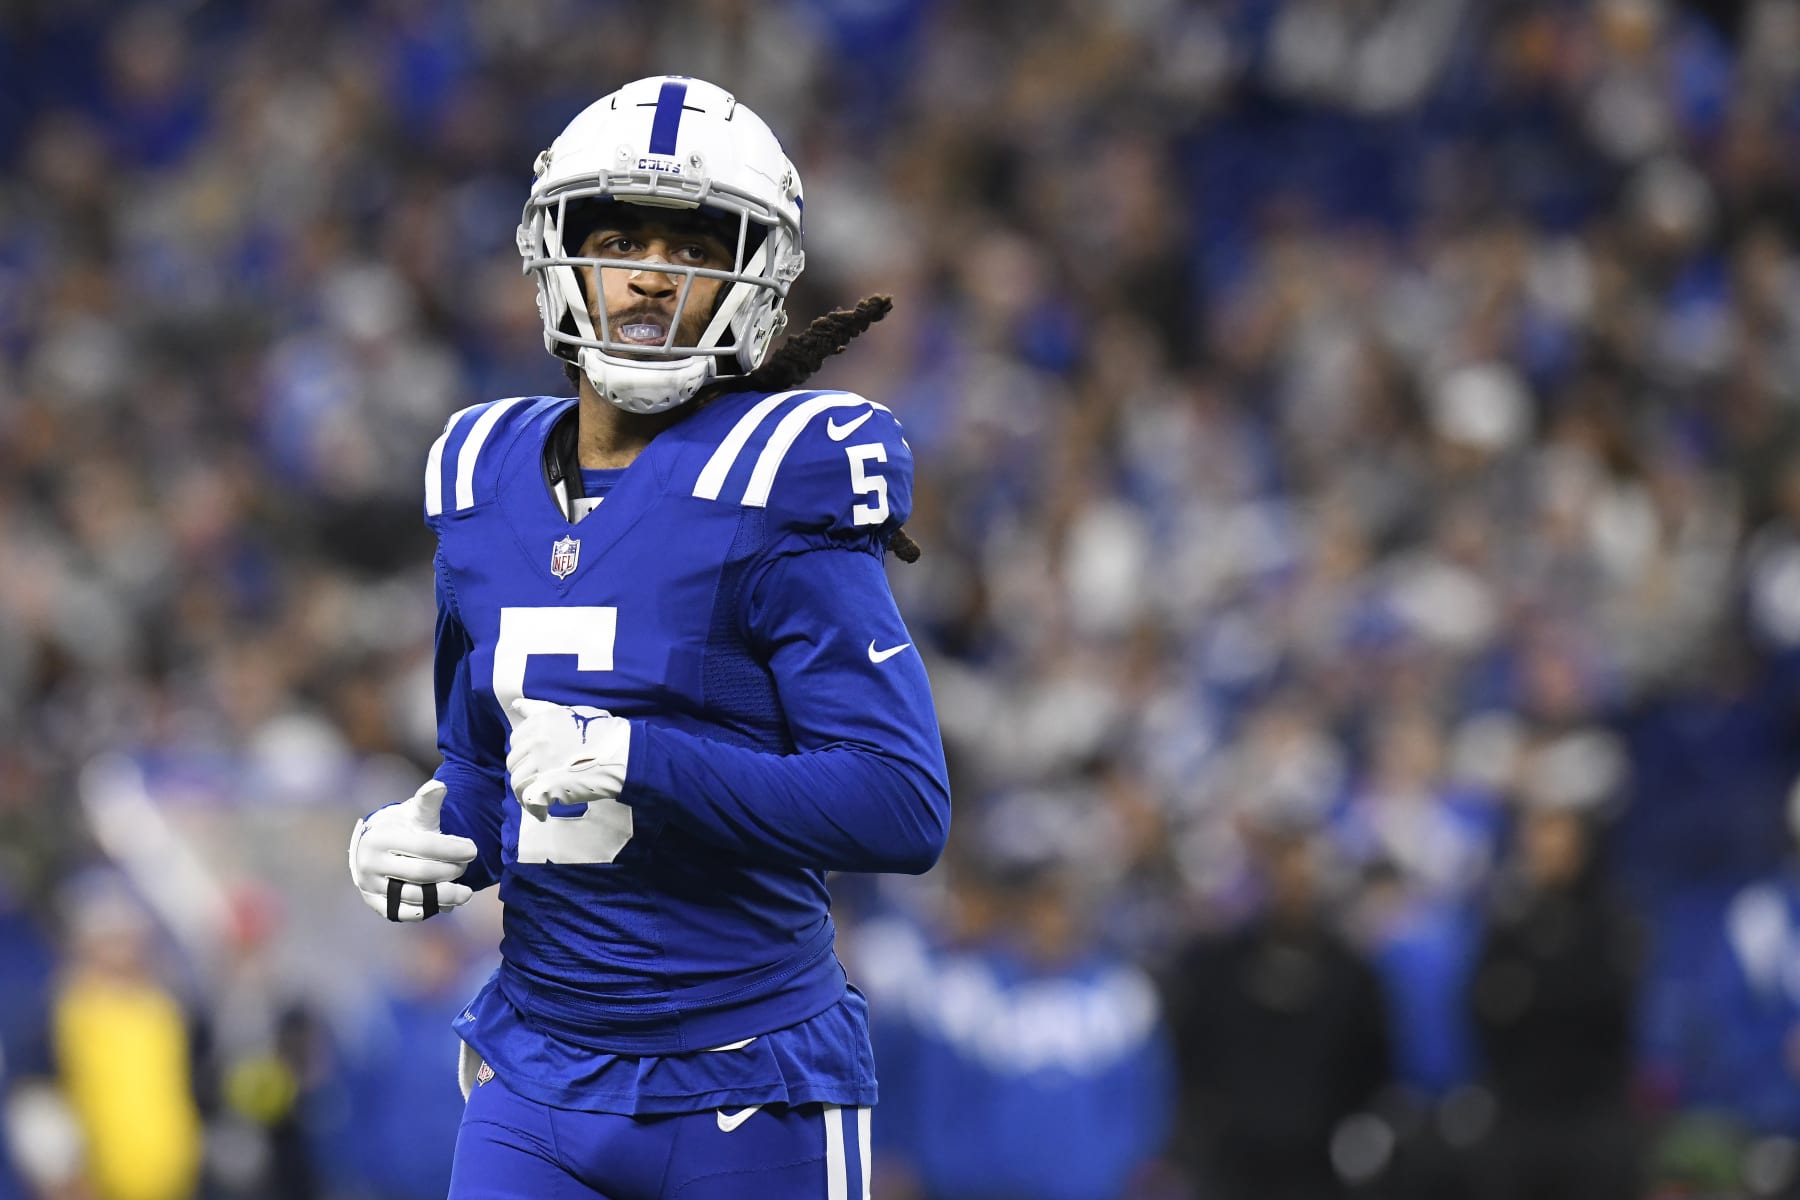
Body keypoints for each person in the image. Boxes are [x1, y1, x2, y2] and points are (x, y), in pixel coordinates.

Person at [345, 75, 950, 1199]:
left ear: (755, 275)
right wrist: (430, 844)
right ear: (554, 257)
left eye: (692, 244)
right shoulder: (480, 478)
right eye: (619, 236)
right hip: (536, 1078)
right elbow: (494, 775)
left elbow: (901, 806)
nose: (649, 274)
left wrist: (636, 756)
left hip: (746, 1080)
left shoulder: (783, 481)